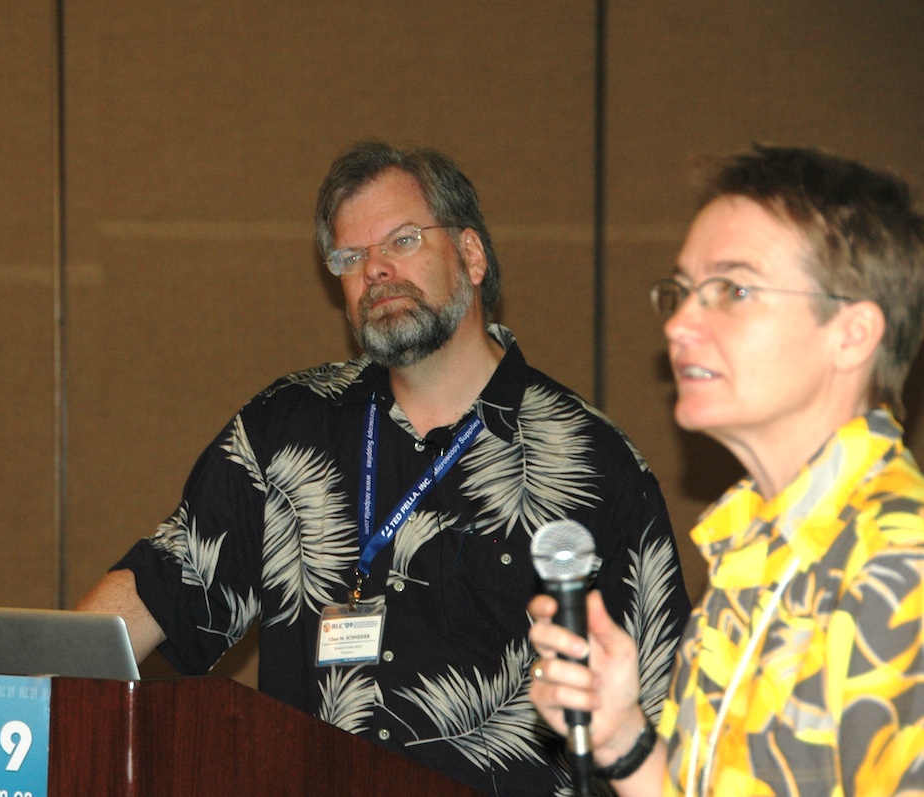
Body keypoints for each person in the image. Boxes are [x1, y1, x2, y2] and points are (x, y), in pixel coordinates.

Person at [77, 140, 691, 795]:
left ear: (471, 255)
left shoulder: (592, 462)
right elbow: (163, 587)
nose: (373, 268)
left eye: (402, 240)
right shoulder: (285, 431)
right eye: (350, 256)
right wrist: (27, 696)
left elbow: (667, 716)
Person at [527, 144, 924, 796]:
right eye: (683, 291)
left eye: (733, 290)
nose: (679, 324)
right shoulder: (748, 551)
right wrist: (622, 738)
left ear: (851, 335)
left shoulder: (900, 564)